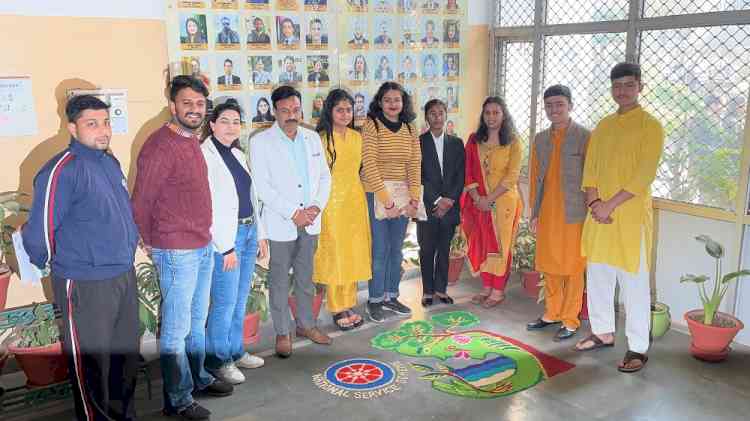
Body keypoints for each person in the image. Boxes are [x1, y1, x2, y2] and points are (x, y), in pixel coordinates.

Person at [21, 95, 139, 421]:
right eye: (92, 123)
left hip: (122, 275)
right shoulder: (61, 169)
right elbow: (40, 230)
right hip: (85, 282)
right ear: (72, 127)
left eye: (105, 122)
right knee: (92, 368)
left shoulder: (108, 162)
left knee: (124, 362)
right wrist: (51, 264)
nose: (103, 130)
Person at [132, 76, 233, 421]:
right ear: (172, 105)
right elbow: (142, 198)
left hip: (200, 242)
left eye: (200, 104)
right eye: (186, 103)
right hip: (175, 248)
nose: (194, 109)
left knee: (195, 321)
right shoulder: (159, 145)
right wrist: (146, 238)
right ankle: (177, 400)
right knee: (176, 328)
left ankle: (198, 379)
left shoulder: (191, 139)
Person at [574, 62, 664, 374]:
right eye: (617, 86)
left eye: (628, 85)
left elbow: (644, 175)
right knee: (598, 276)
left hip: (629, 217)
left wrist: (609, 205)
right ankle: (602, 331)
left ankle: (638, 347)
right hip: (599, 214)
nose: (621, 91)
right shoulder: (604, 126)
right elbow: (591, 169)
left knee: (633, 284)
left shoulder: (650, 126)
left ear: (640, 86)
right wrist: (594, 201)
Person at [250, 86, 333, 358]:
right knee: (279, 281)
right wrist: (293, 212)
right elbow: (262, 186)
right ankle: (282, 332)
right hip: (280, 223)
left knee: (306, 278)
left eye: (295, 110)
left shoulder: (311, 138)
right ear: (275, 111)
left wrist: (316, 207)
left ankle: (306, 325)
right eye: (285, 110)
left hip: (310, 221)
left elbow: (324, 177)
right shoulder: (260, 141)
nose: (291, 115)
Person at [202, 101, 269, 385]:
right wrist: (224, 246)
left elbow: (251, 198)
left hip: (248, 231)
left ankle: (235, 351)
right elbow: (207, 206)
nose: (231, 127)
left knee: (239, 300)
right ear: (212, 124)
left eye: (236, 121)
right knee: (224, 303)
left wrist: (261, 233)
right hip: (226, 241)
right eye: (225, 121)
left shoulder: (238, 154)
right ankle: (218, 361)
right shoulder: (203, 156)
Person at [526, 85, 590, 342]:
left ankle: (571, 320)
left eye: (559, 104)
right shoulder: (541, 139)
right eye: (550, 105)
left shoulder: (585, 136)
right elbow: (534, 178)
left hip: (574, 214)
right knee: (550, 265)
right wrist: (534, 212)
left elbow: (591, 177)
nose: (554, 109)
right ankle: (552, 313)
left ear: (570, 106)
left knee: (573, 267)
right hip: (548, 212)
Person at [361, 81, 421, 323]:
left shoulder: (409, 129)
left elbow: (415, 164)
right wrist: (387, 202)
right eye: (388, 100)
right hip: (377, 194)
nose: (393, 104)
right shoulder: (371, 125)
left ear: (403, 102)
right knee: (379, 250)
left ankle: (391, 296)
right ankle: (375, 300)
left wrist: (414, 198)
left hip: (403, 195)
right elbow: (369, 163)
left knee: (396, 249)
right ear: (380, 102)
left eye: (397, 100)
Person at [313, 89, 372, 330]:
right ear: (330, 111)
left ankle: (350, 303)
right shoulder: (321, 139)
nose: (345, 114)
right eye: (340, 109)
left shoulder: (358, 137)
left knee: (353, 253)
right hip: (331, 204)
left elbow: (361, 170)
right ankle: (337, 307)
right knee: (336, 254)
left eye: (349, 109)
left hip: (355, 201)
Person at [462, 96, 523, 308]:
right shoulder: (474, 140)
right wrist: (478, 198)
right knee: (484, 241)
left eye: (496, 112)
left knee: (501, 246)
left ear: (503, 115)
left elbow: (512, 176)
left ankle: (498, 291)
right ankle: (486, 287)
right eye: (487, 113)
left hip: (503, 201)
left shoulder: (513, 141)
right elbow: (468, 171)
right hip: (479, 201)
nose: (491, 117)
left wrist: (489, 199)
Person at [417, 99, 465, 307]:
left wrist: (449, 200)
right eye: (432, 113)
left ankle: (441, 289)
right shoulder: (418, 142)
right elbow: (419, 176)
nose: (437, 117)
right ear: (426, 117)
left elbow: (460, 175)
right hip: (427, 206)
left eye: (440, 113)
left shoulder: (456, 143)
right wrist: (437, 200)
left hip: (450, 207)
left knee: (444, 249)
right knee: (427, 249)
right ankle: (428, 291)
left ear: (446, 116)